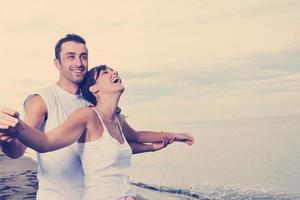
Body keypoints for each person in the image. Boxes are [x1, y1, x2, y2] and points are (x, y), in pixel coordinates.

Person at [0, 34, 193, 200]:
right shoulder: (42, 99)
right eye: (71, 56)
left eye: (83, 57)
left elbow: (116, 145)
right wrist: (10, 133)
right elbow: (19, 150)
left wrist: (168, 138)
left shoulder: (95, 104)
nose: (79, 63)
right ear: (57, 63)